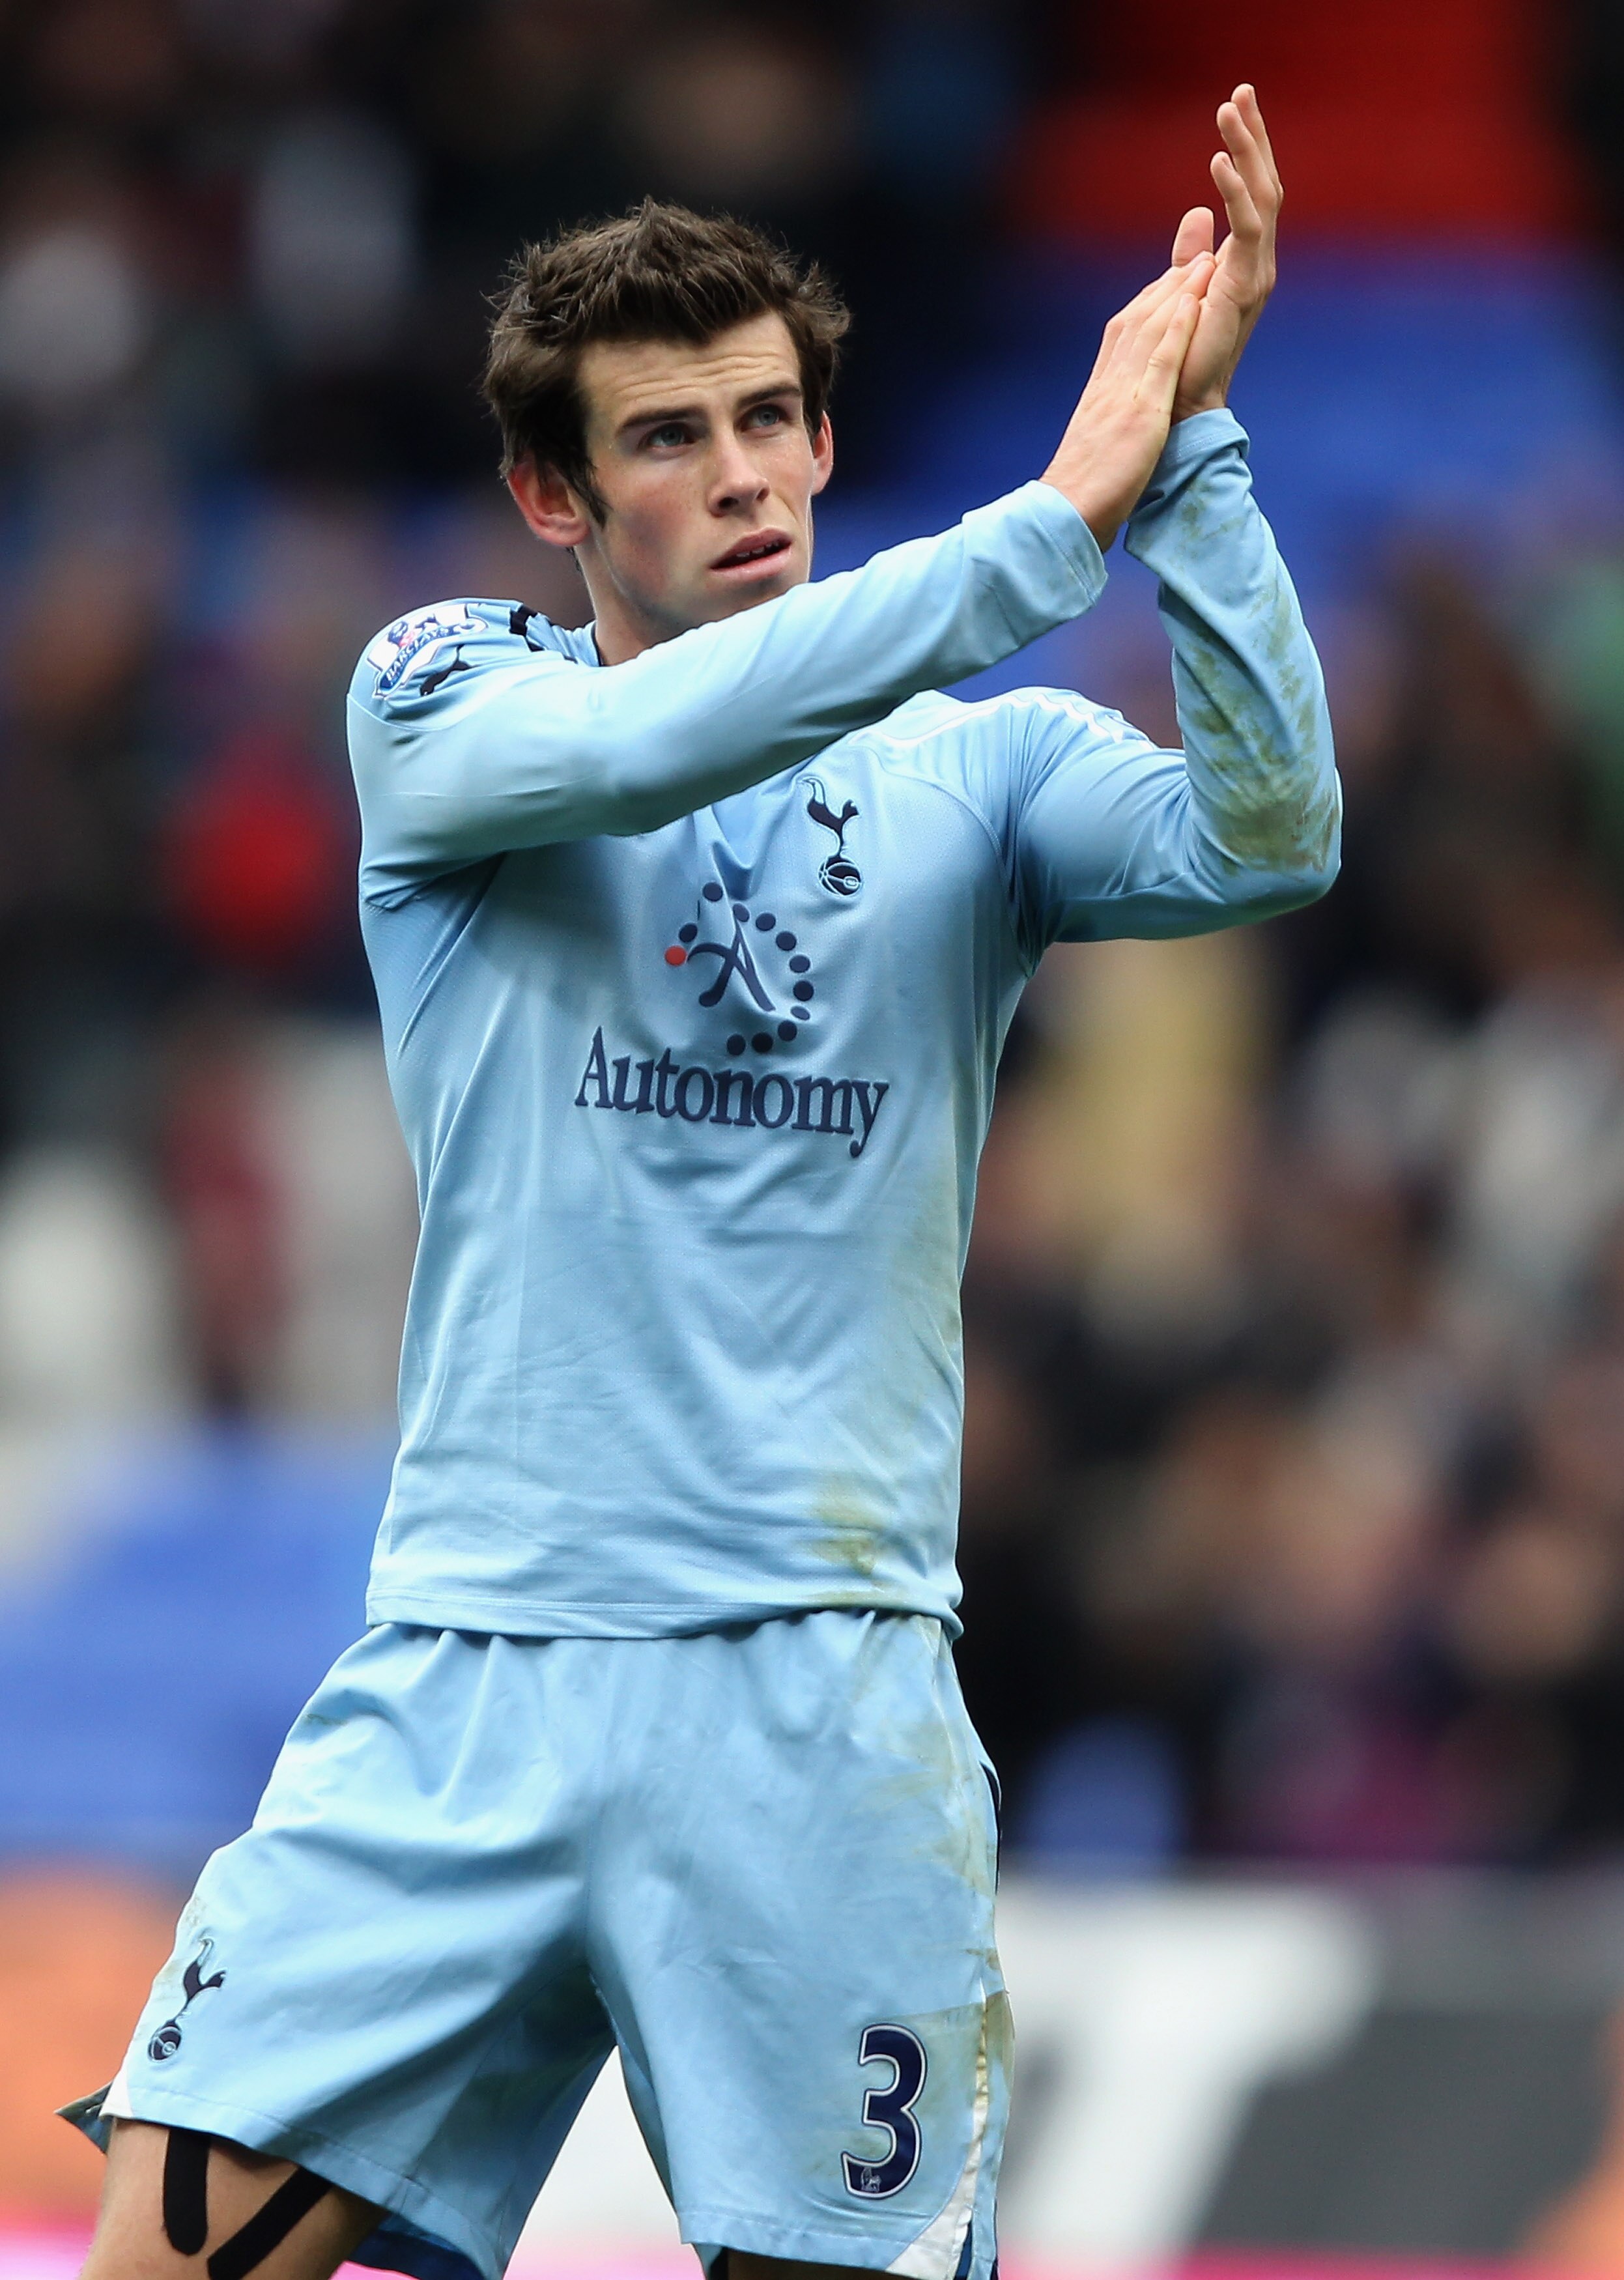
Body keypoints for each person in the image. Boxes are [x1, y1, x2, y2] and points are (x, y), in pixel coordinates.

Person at [68, 83, 1333, 2280]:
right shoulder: (449, 705)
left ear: (830, 443)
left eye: (772, 419)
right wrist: (1051, 525)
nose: (742, 474)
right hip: (469, 1667)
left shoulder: (990, 766)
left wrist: (1195, 455)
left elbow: (1272, 832)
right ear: (550, 490)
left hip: (818, 1702)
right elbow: (680, 734)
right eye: (668, 437)